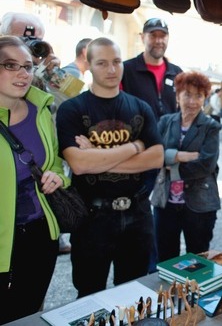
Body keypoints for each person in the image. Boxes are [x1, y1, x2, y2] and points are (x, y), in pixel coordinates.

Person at [56, 37, 164, 298]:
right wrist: (135, 147)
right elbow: (80, 165)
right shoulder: (72, 109)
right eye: (102, 63)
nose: (112, 69)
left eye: (116, 62)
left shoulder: (140, 107)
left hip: (138, 214)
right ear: (89, 64)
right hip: (93, 217)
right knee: (89, 292)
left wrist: (97, 155)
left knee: (133, 294)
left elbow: (157, 158)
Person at [0, 36, 70, 323]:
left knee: (28, 314)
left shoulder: (41, 110)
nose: (22, 73)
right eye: (10, 65)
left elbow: (53, 162)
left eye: (28, 66)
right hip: (3, 237)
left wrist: (57, 178)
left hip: (41, 235)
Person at [120, 17, 182, 272]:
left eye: (163, 35)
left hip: (167, 156)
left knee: (164, 214)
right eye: (153, 35)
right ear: (143, 37)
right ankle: (143, 267)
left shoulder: (176, 72)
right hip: (139, 155)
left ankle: (159, 268)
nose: (158, 40)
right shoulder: (127, 69)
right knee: (140, 213)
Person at [152, 71, 221, 261]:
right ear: (177, 96)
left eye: (198, 96)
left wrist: (170, 164)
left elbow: (206, 165)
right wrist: (181, 155)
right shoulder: (165, 122)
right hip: (165, 202)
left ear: (205, 98)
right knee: (165, 258)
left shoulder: (211, 127)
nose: (192, 101)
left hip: (200, 204)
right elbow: (153, 155)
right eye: (187, 94)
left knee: (196, 259)